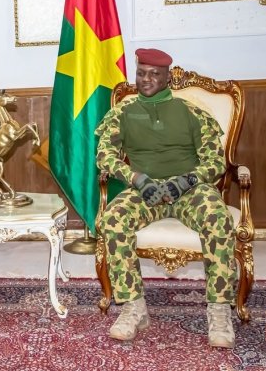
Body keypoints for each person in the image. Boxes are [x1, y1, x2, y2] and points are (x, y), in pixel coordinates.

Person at [94, 48, 236, 348]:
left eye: (154, 74)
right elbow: (104, 156)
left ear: (167, 78)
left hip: (189, 190)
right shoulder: (122, 113)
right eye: (141, 73)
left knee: (217, 217)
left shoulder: (191, 112)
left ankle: (220, 310)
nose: (146, 80)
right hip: (145, 190)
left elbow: (216, 161)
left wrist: (189, 180)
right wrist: (134, 178)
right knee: (113, 219)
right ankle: (134, 307)